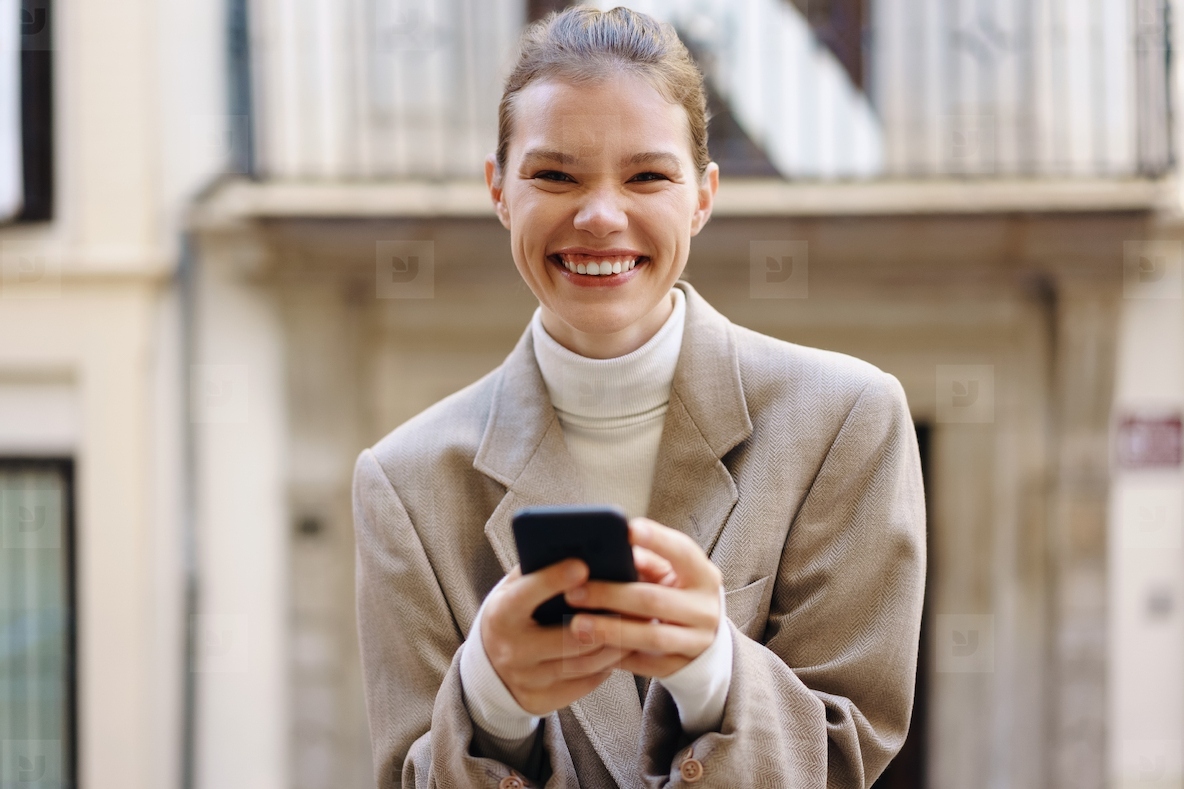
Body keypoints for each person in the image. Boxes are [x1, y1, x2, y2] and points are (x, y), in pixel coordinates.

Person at [352, 7, 925, 788]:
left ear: (702, 195)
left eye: (647, 176)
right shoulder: (403, 481)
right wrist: (489, 698)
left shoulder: (848, 420)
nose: (599, 215)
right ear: (497, 190)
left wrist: (713, 667)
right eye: (554, 174)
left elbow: (847, 755)